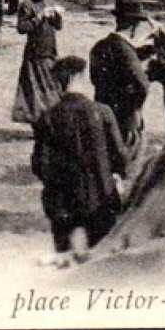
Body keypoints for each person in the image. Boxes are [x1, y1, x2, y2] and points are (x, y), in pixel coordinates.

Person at [31, 56, 129, 256]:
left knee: (66, 259)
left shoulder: (47, 117)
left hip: (62, 205)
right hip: (101, 201)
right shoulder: (102, 112)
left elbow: (39, 165)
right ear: (77, 77)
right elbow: (121, 157)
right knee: (101, 259)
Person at [89, 2, 152, 151]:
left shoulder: (100, 46)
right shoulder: (126, 51)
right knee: (127, 151)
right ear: (133, 27)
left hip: (103, 105)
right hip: (125, 113)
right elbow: (143, 85)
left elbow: (95, 77)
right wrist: (135, 107)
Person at [12, 0, 64, 125]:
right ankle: (38, 120)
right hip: (35, 54)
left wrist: (57, 16)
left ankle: (50, 118)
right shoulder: (27, 4)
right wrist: (39, 17)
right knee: (36, 89)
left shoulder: (49, 1)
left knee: (52, 86)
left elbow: (58, 27)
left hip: (50, 51)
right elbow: (22, 28)